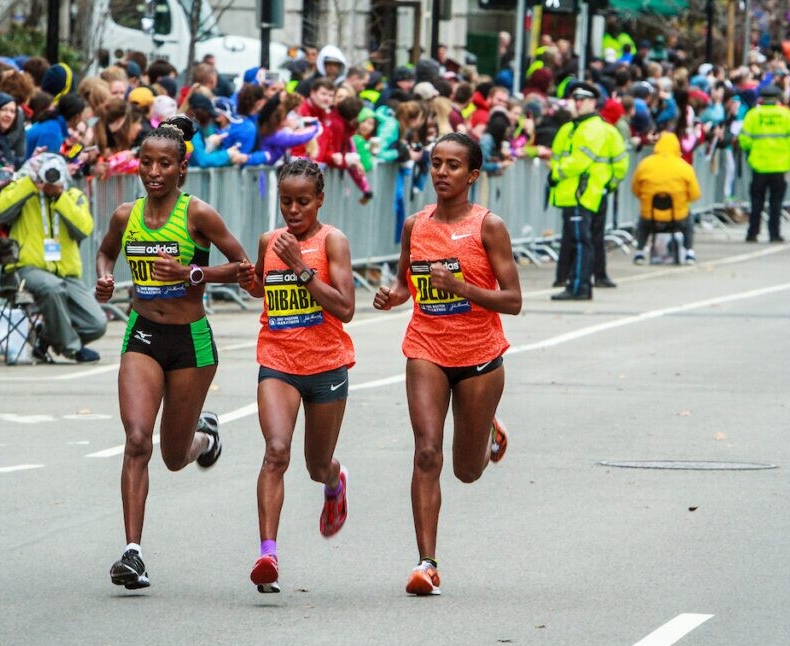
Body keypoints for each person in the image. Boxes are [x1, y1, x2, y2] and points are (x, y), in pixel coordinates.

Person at [94, 117, 249, 590]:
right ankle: (133, 553)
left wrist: (191, 273)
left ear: (182, 168)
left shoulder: (198, 214)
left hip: (190, 343)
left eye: (164, 164)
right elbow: (105, 252)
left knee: (174, 456)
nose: (154, 172)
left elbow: (244, 267)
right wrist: (104, 278)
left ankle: (205, 437)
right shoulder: (126, 215)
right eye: (146, 163)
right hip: (142, 334)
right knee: (138, 439)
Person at [372, 132, 521, 596]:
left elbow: (513, 300)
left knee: (466, 471)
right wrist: (393, 296)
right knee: (427, 453)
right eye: (436, 163)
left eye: (453, 165)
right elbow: (406, 282)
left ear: (472, 175)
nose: (441, 172)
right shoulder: (415, 225)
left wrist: (462, 289)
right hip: (426, 348)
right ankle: (427, 564)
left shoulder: (488, 227)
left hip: (480, 356)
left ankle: (489, 430)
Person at [235, 159, 356, 593]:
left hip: (326, 364)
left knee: (316, 465)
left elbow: (345, 307)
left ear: (319, 200)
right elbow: (264, 287)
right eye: (286, 201)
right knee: (276, 452)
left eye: (302, 201)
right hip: (278, 359)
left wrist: (301, 269)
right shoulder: (270, 241)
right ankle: (267, 554)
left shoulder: (332, 242)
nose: (293, 210)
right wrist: (250, 282)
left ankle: (334, 480)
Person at [0, 153, 106, 361]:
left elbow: (84, 228)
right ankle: (72, 349)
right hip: (25, 268)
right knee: (51, 287)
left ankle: (44, 339)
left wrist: (60, 196)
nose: (50, 177)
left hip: (65, 272)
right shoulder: (23, 190)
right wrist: (30, 184)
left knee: (96, 324)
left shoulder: (73, 195)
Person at [548, 82, 621, 301]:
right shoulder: (571, 128)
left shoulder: (593, 128)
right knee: (577, 241)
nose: (578, 103)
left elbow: (579, 161)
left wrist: (556, 174)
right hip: (571, 193)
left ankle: (580, 287)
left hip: (581, 193)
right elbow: (557, 155)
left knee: (582, 242)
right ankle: (574, 283)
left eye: (582, 100)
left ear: (592, 102)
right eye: (575, 99)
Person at [739, 85, 790, 243]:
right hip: (780, 165)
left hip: (759, 165)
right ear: (777, 98)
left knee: (756, 202)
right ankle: (774, 234)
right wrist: (785, 150)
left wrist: (753, 150)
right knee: (776, 203)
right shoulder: (785, 115)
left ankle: (752, 233)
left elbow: (744, 139)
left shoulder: (753, 115)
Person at [630, 132, 701, 264]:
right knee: (689, 221)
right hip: (678, 217)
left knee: (642, 222)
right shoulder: (684, 167)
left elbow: (635, 189)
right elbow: (695, 194)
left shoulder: (645, 165)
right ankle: (689, 252)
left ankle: (640, 252)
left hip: (650, 217)